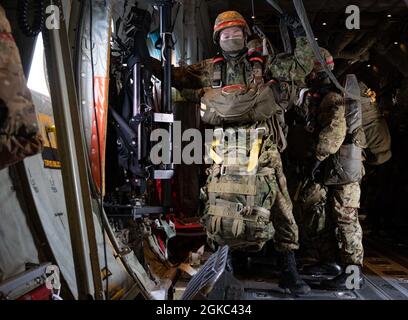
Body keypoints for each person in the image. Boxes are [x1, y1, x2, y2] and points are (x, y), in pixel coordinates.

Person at [151, 11, 315, 295]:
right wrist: (147, 58)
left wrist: (300, 32)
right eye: (225, 34)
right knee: (219, 201)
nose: (231, 37)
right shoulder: (208, 69)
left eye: (236, 32)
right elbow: (175, 76)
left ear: (245, 34)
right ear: (218, 39)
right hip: (224, 146)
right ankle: (225, 266)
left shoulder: (264, 65)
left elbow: (302, 65)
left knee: (279, 204)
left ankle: (289, 270)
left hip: (260, 144)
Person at [290, 48, 365, 290]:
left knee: (345, 218)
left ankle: (354, 272)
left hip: (342, 167)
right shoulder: (314, 95)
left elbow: (335, 132)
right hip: (329, 166)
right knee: (317, 213)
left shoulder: (332, 97)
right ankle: (329, 262)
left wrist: (317, 158)